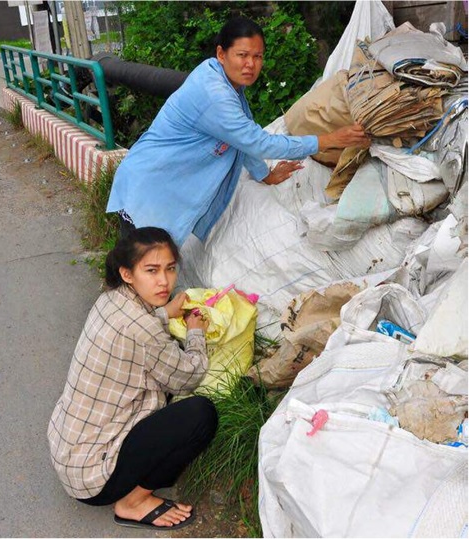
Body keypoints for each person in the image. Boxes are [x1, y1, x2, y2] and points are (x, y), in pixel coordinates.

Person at [107, 16, 370, 246]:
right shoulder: (215, 94)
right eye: (242, 55)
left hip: (162, 183)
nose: (251, 65)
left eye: (257, 56)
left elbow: (240, 139)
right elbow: (258, 143)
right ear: (221, 54)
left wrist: (263, 175)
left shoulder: (225, 82)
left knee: (151, 270)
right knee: (141, 270)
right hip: (150, 186)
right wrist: (328, 140)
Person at [47, 227, 217, 531]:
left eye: (170, 269)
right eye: (151, 270)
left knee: (159, 381)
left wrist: (165, 312)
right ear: (127, 273)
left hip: (69, 452)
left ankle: (131, 488)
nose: (164, 281)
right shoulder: (144, 330)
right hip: (94, 480)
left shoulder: (109, 300)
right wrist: (195, 333)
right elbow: (188, 377)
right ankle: (132, 502)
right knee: (200, 414)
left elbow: (141, 326)